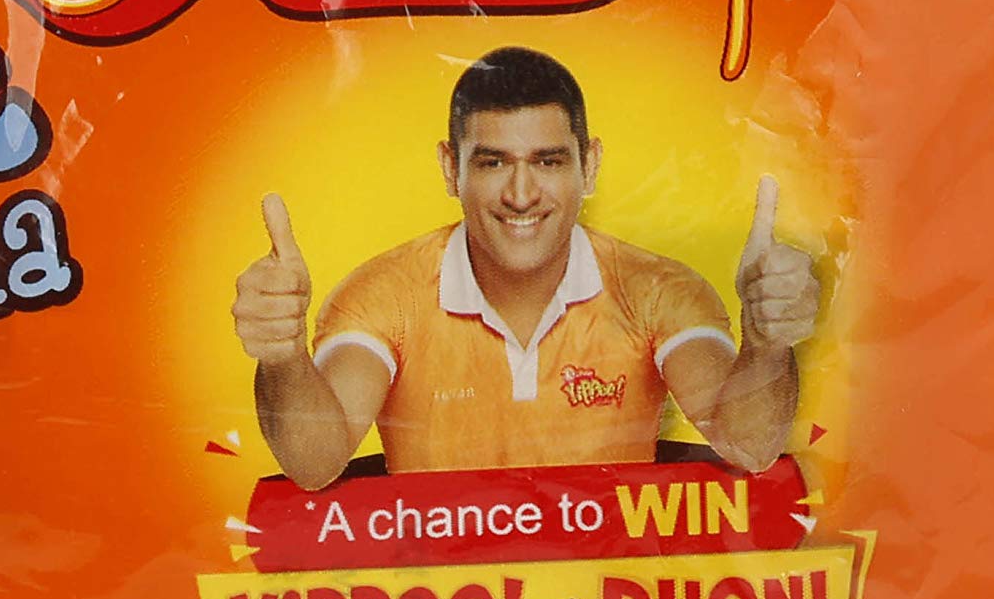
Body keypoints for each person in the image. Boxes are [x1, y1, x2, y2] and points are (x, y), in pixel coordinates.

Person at [232, 46, 819, 488]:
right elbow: (313, 464)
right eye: (492, 163)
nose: (520, 194)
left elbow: (750, 447)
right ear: (450, 169)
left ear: (589, 166)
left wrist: (767, 344)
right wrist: (283, 358)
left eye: (548, 161)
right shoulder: (385, 294)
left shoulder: (659, 291)